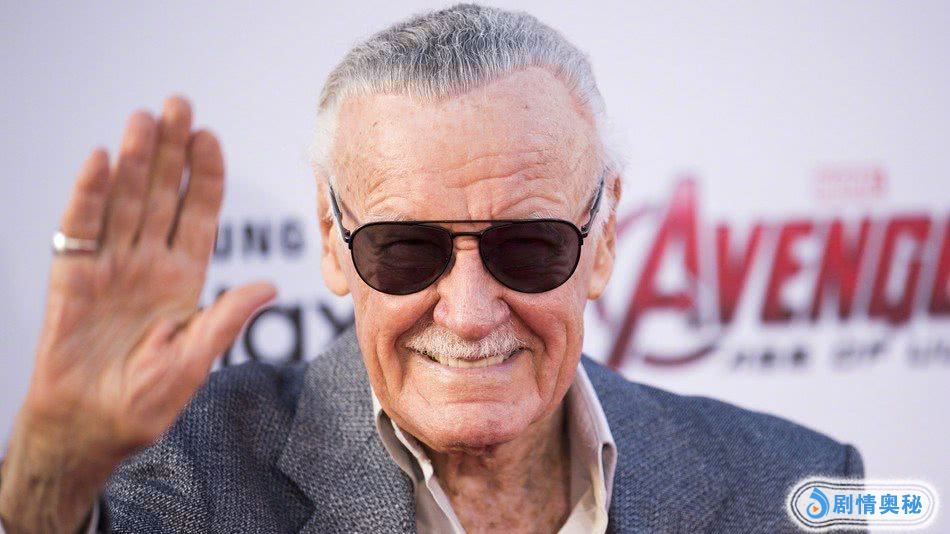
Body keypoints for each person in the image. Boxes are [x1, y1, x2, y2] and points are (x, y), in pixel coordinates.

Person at [0, 4, 864, 533]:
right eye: (405, 250)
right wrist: (45, 487)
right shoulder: (187, 473)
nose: (470, 311)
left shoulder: (791, 487)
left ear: (601, 241)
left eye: (529, 248)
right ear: (334, 242)